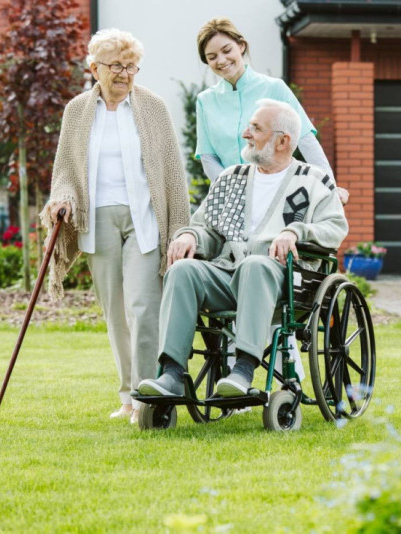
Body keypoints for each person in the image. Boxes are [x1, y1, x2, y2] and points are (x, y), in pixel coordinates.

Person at [137, 99, 347, 399]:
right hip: (228, 275)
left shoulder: (313, 180)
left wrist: (295, 231)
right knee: (183, 270)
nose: (246, 134)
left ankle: (243, 370)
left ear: (283, 140)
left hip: (286, 282)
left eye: (256, 128)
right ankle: (171, 374)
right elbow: (207, 228)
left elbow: (336, 228)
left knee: (256, 264)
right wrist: (190, 237)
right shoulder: (230, 178)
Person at [41, 29, 190, 424]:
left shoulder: (154, 107)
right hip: (98, 219)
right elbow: (66, 170)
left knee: (143, 307)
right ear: (94, 69)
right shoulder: (77, 110)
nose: (124, 74)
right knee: (115, 311)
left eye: (130, 66)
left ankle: (146, 393)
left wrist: (179, 227)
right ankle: (127, 396)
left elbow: (173, 171)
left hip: (144, 216)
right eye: (115, 66)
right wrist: (62, 198)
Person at [194, 17, 349, 205]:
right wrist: (230, 193)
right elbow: (208, 156)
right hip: (230, 203)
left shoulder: (275, 88)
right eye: (212, 57)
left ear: (241, 46)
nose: (221, 60)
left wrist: (330, 187)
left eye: (227, 50)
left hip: (275, 197)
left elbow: (306, 140)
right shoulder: (205, 101)